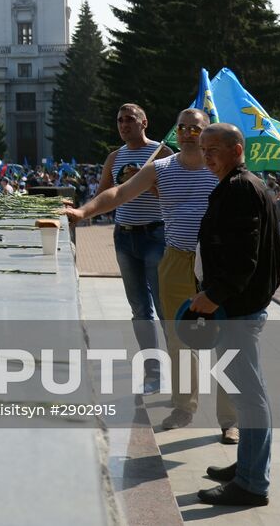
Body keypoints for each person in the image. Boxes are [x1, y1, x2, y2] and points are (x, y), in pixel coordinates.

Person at [66, 109, 236, 440]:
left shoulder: (220, 170)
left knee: (226, 338)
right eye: (182, 127)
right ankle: (183, 406)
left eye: (195, 128)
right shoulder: (160, 168)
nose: (187, 133)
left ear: (205, 134)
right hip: (174, 260)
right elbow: (119, 193)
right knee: (178, 336)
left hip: (216, 264)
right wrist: (82, 212)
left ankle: (230, 419)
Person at [191, 123, 280, 507]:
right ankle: (246, 465)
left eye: (213, 148)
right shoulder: (236, 184)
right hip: (235, 307)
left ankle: (251, 484)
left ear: (237, 148)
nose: (207, 155)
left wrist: (213, 296)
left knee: (250, 397)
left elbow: (244, 257)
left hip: (237, 309)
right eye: (202, 148)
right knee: (246, 393)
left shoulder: (241, 187)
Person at [95, 103, 172, 393]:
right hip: (125, 238)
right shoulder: (114, 157)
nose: (124, 125)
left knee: (165, 308)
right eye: (119, 120)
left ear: (144, 123)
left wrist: (143, 181)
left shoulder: (163, 154)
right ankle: (153, 374)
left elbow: (173, 196)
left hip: (156, 236)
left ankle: (179, 372)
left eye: (130, 120)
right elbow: (102, 194)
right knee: (140, 310)